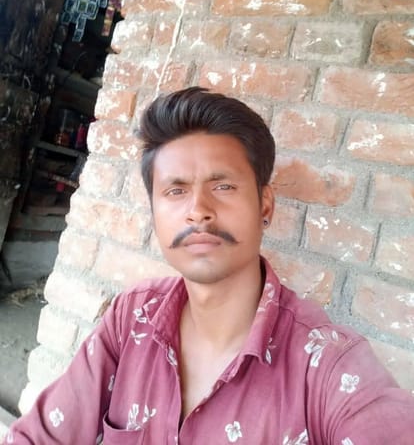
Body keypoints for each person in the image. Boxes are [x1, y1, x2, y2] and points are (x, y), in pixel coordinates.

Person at [4, 87, 414, 444]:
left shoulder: (326, 367)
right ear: (154, 212)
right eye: (175, 191)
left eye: (223, 186)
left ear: (265, 205)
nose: (198, 210)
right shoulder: (133, 317)